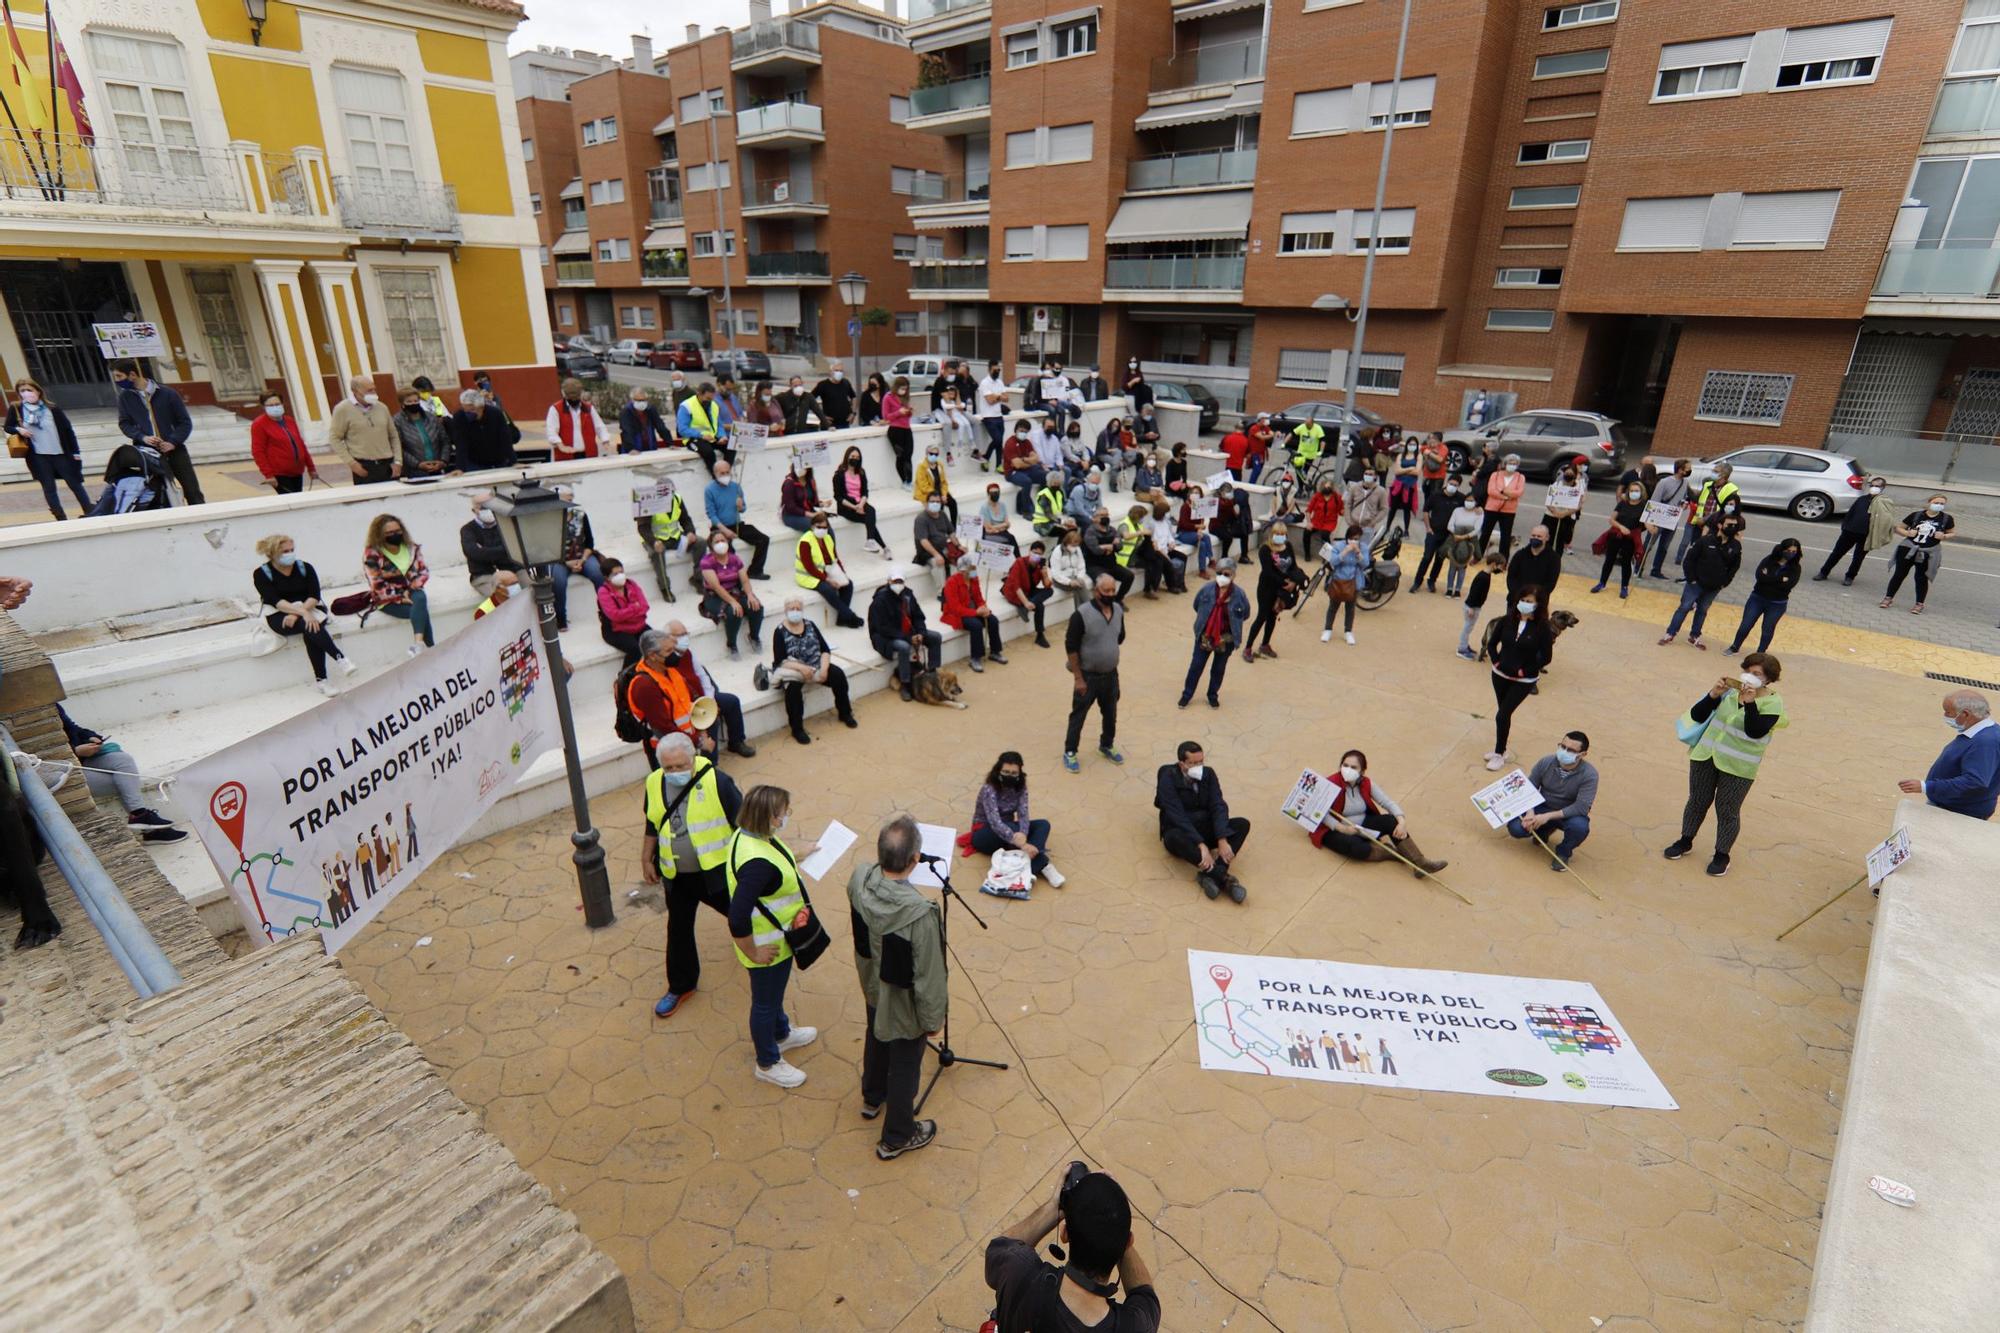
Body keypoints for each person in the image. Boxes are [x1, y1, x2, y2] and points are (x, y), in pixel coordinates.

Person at [847, 816, 946, 1159]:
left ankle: (872, 1097)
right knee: (906, 1062)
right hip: (903, 1001)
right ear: (915, 859)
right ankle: (898, 1136)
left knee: (877, 1032)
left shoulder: (860, 877)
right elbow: (929, 975)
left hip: (872, 982)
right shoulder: (920, 913)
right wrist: (933, 1020)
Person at [642, 731, 742, 1019]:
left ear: (693, 759)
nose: (674, 773)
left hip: (715, 873)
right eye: (668, 767)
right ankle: (681, 986)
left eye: (680, 766)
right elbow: (652, 822)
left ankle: (759, 952)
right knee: (678, 930)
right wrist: (646, 857)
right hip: (676, 875)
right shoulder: (653, 782)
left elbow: (744, 824)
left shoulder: (718, 781)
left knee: (743, 914)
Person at [986, 1168, 1159, 1333]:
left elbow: (1001, 1246)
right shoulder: (1136, 1326)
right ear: (1129, 1242)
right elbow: (1144, 1294)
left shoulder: (1020, 1274)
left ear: (1064, 1234)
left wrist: (1055, 1208)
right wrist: (1115, 1223)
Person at [725, 784, 820, 1088]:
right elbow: (737, 917)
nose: (786, 817)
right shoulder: (757, 865)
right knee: (765, 1003)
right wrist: (753, 952)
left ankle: (782, 1033)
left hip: (776, 940)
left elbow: (775, 860)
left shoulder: (749, 836)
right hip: (769, 946)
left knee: (774, 995)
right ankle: (767, 1062)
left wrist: (797, 855)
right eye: (784, 813)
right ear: (771, 818)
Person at [1666, 652, 1788, 877]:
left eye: (1756, 674)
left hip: (1739, 767)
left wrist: (1750, 704)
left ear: (1768, 679)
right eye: (1747, 671)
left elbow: (1755, 731)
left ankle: (1722, 855)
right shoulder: (1730, 692)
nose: (1749, 676)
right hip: (1706, 756)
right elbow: (1698, 714)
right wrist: (1713, 694)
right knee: (1697, 801)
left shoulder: (1773, 703)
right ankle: (1685, 841)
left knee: (1727, 810)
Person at [50, 707, 185, 842]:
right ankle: (149, 828)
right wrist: (76, 751)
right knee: (124, 782)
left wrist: (92, 737)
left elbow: (73, 728)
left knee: (124, 761)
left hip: (85, 759)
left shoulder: (53, 703)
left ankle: (140, 816)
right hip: (63, 770)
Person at [1308, 750, 1449, 875]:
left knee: (1390, 821)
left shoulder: (1366, 783)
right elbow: (1319, 812)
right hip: (1335, 829)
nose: (1347, 769)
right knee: (1357, 848)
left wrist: (1401, 822)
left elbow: (1387, 802)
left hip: (1362, 824)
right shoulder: (1330, 783)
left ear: (1362, 771)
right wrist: (1343, 828)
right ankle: (1389, 852)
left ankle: (1420, 862)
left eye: (1353, 767)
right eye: (1345, 765)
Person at [253, 534, 352, 695]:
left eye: (292, 550)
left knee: (310, 628)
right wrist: (302, 613)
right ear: (272, 553)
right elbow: (274, 600)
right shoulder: (261, 574)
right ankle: (340, 659)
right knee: (310, 625)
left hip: (309, 608)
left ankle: (323, 681)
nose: (290, 554)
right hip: (279, 614)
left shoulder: (305, 568)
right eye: (285, 551)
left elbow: (314, 595)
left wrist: (301, 613)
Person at [1155, 740, 1249, 902]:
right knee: (1173, 837)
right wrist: (1200, 844)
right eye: (1193, 763)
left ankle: (1209, 875)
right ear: (1182, 764)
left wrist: (1221, 838)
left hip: (1206, 827)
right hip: (1182, 831)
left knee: (1242, 824)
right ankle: (1225, 880)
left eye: (1201, 762)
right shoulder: (1168, 777)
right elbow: (1176, 815)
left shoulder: (1208, 774)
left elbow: (1218, 805)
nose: (1199, 766)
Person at [761, 597, 856, 743]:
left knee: (838, 675)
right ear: (785, 611)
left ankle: (845, 713)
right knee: (792, 691)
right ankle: (797, 729)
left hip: (816, 664)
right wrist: (802, 668)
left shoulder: (810, 625)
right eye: (791, 609)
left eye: (798, 608)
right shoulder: (779, 631)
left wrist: (824, 668)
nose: (795, 611)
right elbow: (780, 660)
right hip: (794, 669)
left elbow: (824, 650)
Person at [664, 618, 757, 759]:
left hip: (704, 697)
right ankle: (709, 762)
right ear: (668, 638)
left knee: (732, 702)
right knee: (709, 719)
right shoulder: (666, 660)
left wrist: (710, 700)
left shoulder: (688, 653)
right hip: (686, 706)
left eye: (685, 633)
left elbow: (702, 676)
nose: (684, 638)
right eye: (679, 635)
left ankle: (737, 742)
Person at [112, 359, 204, 502]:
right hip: (147, 453)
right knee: (160, 494)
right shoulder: (125, 397)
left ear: (132, 375)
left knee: (192, 490)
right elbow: (124, 424)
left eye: (119, 376)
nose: (116, 380)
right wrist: (142, 437)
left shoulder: (167, 393)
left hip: (175, 451)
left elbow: (184, 422)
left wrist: (173, 442)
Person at [1505, 731, 1598, 871]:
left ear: (1582, 754)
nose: (1564, 752)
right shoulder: (1546, 762)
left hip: (1567, 814)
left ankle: (1563, 852)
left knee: (1579, 827)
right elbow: (1529, 787)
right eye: (1563, 746)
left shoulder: (1590, 775)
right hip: (1541, 806)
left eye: (1571, 750)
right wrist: (1530, 812)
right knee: (1516, 828)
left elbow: (1581, 807)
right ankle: (1544, 829)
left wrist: (1546, 816)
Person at [1902, 690, 2000, 820]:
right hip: (1952, 806)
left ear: (1965, 714)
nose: (1945, 715)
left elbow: (1974, 781)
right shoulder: (1980, 733)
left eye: (1948, 712)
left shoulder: (1985, 742)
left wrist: (1927, 787)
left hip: (1958, 813)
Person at [1063, 575, 1125, 773]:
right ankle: (1070, 752)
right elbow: (1071, 647)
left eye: (1113, 590)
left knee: (1110, 713)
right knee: (1078, 715)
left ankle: (1106, 744)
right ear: (1096, 591)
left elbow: (1120, 636)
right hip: (1087, 677)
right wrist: (1078, 678)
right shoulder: (1081, 614)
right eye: (1106, 591)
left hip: (1111, 675)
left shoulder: (1118, 610)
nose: (1110, 595)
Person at [971, 752, 1063, 887]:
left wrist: (1023, 834)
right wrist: (1023, 844)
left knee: (1043, 825)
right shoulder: (989, 789)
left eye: (1014, 773)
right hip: (984, 833)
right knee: (1014, 829)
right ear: (998, 771)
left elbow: (1023, 814)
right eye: (1005, 772)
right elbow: (995, 822)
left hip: (1010, 832)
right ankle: (1043, 865)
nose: (1009, 776)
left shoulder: (1021, 788)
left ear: (1020, 773)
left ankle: (1026, 864)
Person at [1485, 584, 1552, 770]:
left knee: (1502, 714)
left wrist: (1525, 671)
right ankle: (1502, 749)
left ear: (1538, 605)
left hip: (1523, 681)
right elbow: (1492, 643)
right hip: (1499, 675)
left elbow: (1546, 657)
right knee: (1503, 714)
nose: (1524, 604)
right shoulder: (1508, 620)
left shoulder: (1542, 628)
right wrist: (1496, 662)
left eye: (1529, 601)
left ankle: (1498, 754)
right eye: (1522, 600)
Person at [6, 378, 93, 518]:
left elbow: (67, 430)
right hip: (38, 455)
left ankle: (89, 510)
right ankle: (60, 516)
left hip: (60, 453)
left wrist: (75, 452)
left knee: (75, 483)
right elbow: (8, 427)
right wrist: (19, 430)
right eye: (22, 391)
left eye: (29, 390)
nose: (27, 393)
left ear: (38, 391)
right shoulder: (17, 408)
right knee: (49, 487)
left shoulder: (52, 408)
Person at [1659, 517, 1742, 649]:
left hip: (1714, 586)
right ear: (1720, 525)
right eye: (1729, 525)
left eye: (1735, 525)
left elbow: (1734, 567)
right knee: (1684, 607)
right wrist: (1691, 579)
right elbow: (1689, 560)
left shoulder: (1736, 546)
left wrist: (1724, 583)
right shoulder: (1705, 541)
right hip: (1695, 583)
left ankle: (1695, 636)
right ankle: (1670, 633)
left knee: (1702, 610)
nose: (1732, 528)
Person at [1181, 558, 1248, 709]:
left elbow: (1245, 613)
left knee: (1218, 669)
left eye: (1226, 574)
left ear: (1233, 576)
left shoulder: (1239, 595)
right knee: (1196, 666)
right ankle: (1187, 694)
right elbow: (1196, 605)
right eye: (1219, 573)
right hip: (1205, 635)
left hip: (1226, 639)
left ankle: (1212, 695)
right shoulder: (1207, 589)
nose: (1222, 577)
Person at [362, 514, 433, 655]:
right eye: (389, 533)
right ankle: (431, 650)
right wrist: (400, 597)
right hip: (388, 599)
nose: (394, 535)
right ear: (379, 535)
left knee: (420, 599)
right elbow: (377, 584)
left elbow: (423, 572)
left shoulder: (411, 548)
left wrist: (411, 588)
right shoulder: (372, 554)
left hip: (412, 590)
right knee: (421, 612)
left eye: (397, 531)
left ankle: (418, 644)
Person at [868, 569, 943, 701]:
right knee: (903, 647)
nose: (898, 584)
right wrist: (908, 638)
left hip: (909, 631)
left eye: (900, 581)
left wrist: (920, 632)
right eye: (895, 581)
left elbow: (918, 617)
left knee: (935, 637)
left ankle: (932, 673)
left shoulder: (908, 595)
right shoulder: (880, 601)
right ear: (888, 582)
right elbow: (883, 628)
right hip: (887, 636)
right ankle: (905, 684)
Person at [1881, 494, 1955, 614]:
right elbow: (1899, 528)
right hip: (1908, 549)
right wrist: (1907, 533)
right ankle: (1888, 598)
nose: (1939, 505)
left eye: (1942, 504)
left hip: (1928, 552)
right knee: (1899, 574)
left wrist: (1944, 536)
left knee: (1921, 578)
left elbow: (1952, 533)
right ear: (1929, 502)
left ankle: (1919, 604)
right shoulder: (1916, 515)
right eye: (1936, 502)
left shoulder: (1946, 519)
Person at [1727, 538, 1803, 654]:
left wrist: (1769, 578)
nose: (1791, 554)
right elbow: (1759, 577)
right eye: (1788, 550)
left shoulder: (1796, 568)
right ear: (1782, 549)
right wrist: (1780, 579)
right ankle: (1735, 646)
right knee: (1745, 625)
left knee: (1767, 630)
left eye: (1794, 552)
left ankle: (1760, 653)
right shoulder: (1769, 560)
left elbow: (1788, 585)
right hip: (1757, 599)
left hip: (1777, 604)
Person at [1815, 474, 1894, 585]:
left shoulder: (1884, 502)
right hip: (1849, 532)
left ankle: (1850, 577)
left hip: (1866, 535)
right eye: (1872, 485)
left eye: (1877, 486)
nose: (1874, 487)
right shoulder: (1862, 499)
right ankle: (1824, 572)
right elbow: (1850, 513)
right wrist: (1845, 527)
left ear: (1882, 488)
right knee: (1836, 553)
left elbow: (1887, 519)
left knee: (1858, 558)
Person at [1244, 525, 1304, 662]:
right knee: (1262, 617)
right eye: (1277, 533)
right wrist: (1286, 584)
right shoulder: (1265, 549)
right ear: (1272, 534)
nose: (1280, 536)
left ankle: (1265, 644)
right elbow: (1268, 572)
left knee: (1273, 616)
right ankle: (1248, 647)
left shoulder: (1287, 546)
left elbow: (1293, 566)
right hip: (1267, 588)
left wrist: (1294, 582)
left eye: (1283, 533)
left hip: (1282, 589)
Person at [700, 532, 765, 658]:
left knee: (756, 606)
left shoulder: (734, 559)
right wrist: (733, 602)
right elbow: (716, 587)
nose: (720, 544)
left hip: (734, 591)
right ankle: (731, 645)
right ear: (711, 545)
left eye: (722, 540)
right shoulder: (707, 562)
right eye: (716, 542)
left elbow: (745, 580)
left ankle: (754, 637)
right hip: (714, 596)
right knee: (733, 612)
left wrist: (750, 595)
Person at [794, 512, 864, 629]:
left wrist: (842, 574)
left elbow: (835, 559)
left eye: (825, 527)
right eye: (819, 527)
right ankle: (850, 616)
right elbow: (809, 567)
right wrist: (828, 580)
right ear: (812, 527)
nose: (822, 529)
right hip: (808, 576)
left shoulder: (828, 538)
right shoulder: (805, 541)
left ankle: (841, 619)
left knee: (848, 584)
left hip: (826, 572)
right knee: (828, 589)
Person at [704, 460, 771, 580]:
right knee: (728, 550)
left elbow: (743, 509)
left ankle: (755, 570)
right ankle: (731, 576)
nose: (725, 475)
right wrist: (725, 531)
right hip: (719, 527)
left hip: (736, 524)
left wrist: (740, 507)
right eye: (722, 473)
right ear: (715, 474)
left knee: (763, 539)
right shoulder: (709, 490)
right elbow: (711, 515)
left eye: (727, 472)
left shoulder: (736, 487)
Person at [941, 553, 1008, 672]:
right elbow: (955, 608)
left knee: (993, 620)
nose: (973, 571)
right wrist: (976, 612)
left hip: (976, 610)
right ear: (962, 570)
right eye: (970, 569)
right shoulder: (951, 582)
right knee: (976, 625)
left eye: (974, 568)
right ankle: (975, 658)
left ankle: (995, 652)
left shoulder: (974, 579)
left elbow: (979, 598)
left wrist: (984, 608)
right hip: (959, 614)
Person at [327, 373, 397, 486]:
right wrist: (352, 463)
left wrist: (398, 461)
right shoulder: (343, 409)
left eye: (374, 390)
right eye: (369, 391)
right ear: (355, 391)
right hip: (364, 466)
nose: (373, 393)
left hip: (387, 464)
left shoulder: (382, 407)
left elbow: (393, 435)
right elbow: (334, 438)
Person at [247, 390, 317, 496]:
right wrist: (269, 475)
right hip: (280, 473)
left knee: (298, 498)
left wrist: (311, 468)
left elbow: (300, 444)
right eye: (270, 405)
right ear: (264, 407)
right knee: (291, 501)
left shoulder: (289, 421)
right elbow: (258, 452)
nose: (275, 407)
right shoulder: (259, 424)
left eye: (277, 404)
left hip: (297, 471)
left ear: (282, 404)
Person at [1674, 464, 1740, 575]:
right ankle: (1690, 575)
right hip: (1699, 525)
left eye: (1715, 471)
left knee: (1706, 553)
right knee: (1696, 550)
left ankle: (1699, 576)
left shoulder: (1731, 490)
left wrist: (1705, 520)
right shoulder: (1708, 484)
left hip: (1713, 527)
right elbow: (1697, 498)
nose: (1712, 473)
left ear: (1724, 475)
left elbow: (1727, 510)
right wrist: (1687, 486)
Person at [636, 477, 692, 603]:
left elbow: (685, 519)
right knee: (657, 554)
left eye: (671, 492)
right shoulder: (647, 501)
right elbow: (643, 528)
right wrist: (654, 541)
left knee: (700, 543)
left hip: (674, 536)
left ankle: (698, 578)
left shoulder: (677, 498)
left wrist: (690, 532)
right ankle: (665, 588)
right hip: (655, 539)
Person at [1590, 478, 1647, 598]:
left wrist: (1653, 528)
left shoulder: (1644, 507)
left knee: (1626, 562)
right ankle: (1602, 583)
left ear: (1641, 492)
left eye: (1636, 490)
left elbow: (1647, 524)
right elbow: (1611, 520)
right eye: (1631, 490)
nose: (1633, 493)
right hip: (1616, 535)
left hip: (1630, 539)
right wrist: (1621, 527)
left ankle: (1624, 587)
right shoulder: (1622, 503)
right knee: (1609, 560)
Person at [460, 491, 523, 599]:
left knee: (534, 592)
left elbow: (516, 547)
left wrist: (485, 550)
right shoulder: (467, 530)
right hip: (485, 576)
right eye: (483, 508)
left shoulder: (507, 524)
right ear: (474, 510)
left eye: (490, 506)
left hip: (514, 571)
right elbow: (473, 553)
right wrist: (503, 550)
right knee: (500, 598)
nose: (488, 510)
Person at [1318, 526, 1372, 646]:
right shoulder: (1338, 545)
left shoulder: (1363, 547)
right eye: (1353, 538)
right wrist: (1345, 552)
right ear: (1348, 538)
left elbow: (1365, 564)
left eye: (1357, 538)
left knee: (1350, 608)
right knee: (1333, 607)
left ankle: (1348, 632)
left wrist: (1358, 552)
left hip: (1354, 582)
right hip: (1338, 580)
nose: (1355, 541)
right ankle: (1327, 630)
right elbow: (1333, 561)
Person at [1410, 473, 1461, 592]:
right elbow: (1426, 511)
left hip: (1448, 535)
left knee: (1440, 559)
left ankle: (1432, 581)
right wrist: (1428, 527)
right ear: (1447, 482)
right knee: (1427, 557)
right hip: (1433, 532)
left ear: (1459, 486)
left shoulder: (1460, 498)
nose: (1452, 486)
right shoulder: (1436, 495)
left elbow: (1470, 507)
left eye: (1455, 485)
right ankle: (1417, 581)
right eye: (1451, 484)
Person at [1645, 458, 1695, 579]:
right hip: (1659, 516)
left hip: (1672, 518)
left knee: (1664, 546)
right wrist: (1649, 521)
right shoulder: (1664, 482)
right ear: (1680, 470)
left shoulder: (1684, 483)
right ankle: (1638, 566)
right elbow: (1654, 500)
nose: (1689, 471)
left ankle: (1656, 570)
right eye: (1687, 469)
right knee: (1648, 544)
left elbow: (1684, 497)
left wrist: (1683, 504)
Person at [596, 557, 651, 667]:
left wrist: (626, 612)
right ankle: (624, 677)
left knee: (656, 643)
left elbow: (645, 606)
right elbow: (615, 616)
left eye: (621, 572)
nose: (620, 576)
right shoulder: (604, 592)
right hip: (616, 631)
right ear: (607, 578)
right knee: (635, 649)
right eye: (615, 574)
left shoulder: (631, 584)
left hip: (638, 626)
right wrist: (634, 608)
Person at [450, 386, 519, 471]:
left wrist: (514, 462)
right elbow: (460, 443)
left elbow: (505, 438)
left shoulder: (495, 414)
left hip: (499, 460)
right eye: (465, 411)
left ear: (481, 407)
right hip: (474, 462)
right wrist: (459, 468)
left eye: (472, 410)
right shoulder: (459, 417)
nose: (468, 414)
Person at [395, 385, 457, 478]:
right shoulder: (397, 421)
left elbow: (445, 441)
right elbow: (399, 447)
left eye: (416, 401)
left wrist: (443, 461)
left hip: (438, 467)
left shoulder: (431, 418)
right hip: (414, 471)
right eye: (409, 401)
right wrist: (417, 464)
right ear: (402, 404)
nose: (413, 404)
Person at [1002, 541, 1055, 648]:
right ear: (1029, 551)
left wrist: (1044, 575)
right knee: (1040, 606)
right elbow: (1016, 586)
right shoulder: (1019, 562)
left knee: (1050, 591)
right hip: (1014, 592)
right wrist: (1025, 603)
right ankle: (1040, 634)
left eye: (1039, 554)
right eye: (1034, 552)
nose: (1036, 556)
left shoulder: (1040, 565)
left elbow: (1047, 586)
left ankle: (1039, 635)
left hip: (1029, 591)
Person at [1457, 551, 1506, 660]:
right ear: (1494, 564)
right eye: (1499, 566)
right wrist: (1470, 607)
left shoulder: (1485, 575)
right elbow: (1474, 592)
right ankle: (1461, 648)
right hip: (1472, 607)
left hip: (1475, 606)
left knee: (1469, 627)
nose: (1500, 569)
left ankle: (1464, 645)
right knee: (1467, 627)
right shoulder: (1483, 577)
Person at [546, 377, 607, 460]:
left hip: (589, 454)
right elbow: (551, 431)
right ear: (563, 394)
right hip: (565, 456)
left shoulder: (589, 408)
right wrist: (561, 446)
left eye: (576, 396)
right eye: (570, 397)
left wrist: (605, 440)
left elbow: (600, 427)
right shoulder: (555, 409)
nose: (574, 399)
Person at [677, 382, 730, 475]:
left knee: (731, 447)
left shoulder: (713, 405)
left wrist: (722, 436)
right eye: (708, 398)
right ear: (699, 394)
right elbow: (682, 429)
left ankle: (725, 471)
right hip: (693, 439)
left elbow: (718, 424)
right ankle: (717, 478)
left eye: (712, 398)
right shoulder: (686, 406)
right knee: (708, 453)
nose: (710, 401)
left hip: (711, 437)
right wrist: (701, 435)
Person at [1479, 453, 1526, 556]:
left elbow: (1519, 492)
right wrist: (1506, 496)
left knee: (1506, 536)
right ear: (1505, 463)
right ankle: (1478, 555)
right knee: (1485, 533)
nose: (1512, 465)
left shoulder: (1520, 477)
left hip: (1509, 511)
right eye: (1510, 463)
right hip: (1492, 508)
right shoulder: (1495, 475)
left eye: (1515, 463)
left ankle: (1503, 559)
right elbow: (1491, 490)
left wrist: (1502, 491)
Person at [1443, 487, 1484, 598]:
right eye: (1467, 500)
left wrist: (1463, 537)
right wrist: (1456, 535)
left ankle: (1457, 590)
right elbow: (1450, 525)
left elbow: (1477, 529)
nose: (1469, 502)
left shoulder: (1479, 513)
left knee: (1462, 565)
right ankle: (1449, 588)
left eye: (1472, 501)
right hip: (1455, 537)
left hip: (1469, 540)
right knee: (1452, 565)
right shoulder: (1457, 510)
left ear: (1476, 502)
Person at [1506, 524, 1561, 601]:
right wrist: (1518, 594)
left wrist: (1536, 596)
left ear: (1547, 538)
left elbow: (1551, 582)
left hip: (1539, 601)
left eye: (1539, 536)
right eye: (1533, 535)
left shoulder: (1554, 558)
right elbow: (1511, 577)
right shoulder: (1520, 555)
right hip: (1516, 598)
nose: (1535, 538)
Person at [1003, 420, 1046, 516]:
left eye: (1026, 432)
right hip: (1012, 472)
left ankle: (1043, 503)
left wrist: (1024, 460)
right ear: (1016, 430)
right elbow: (1017, 465)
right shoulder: (1010, 443)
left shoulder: (1027, 442)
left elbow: (1036, 458)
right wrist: (1030, 462)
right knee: (1027, 482)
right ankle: (1026, 510)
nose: (1023, 433)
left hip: (1026, 470)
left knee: (1044, 476)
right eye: (1021, 431)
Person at [1542, 458, 1584, 554]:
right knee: (1548, 540)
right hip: (1551, 515)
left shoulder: (1578, 488)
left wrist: (1564, 513)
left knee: (1560, 542)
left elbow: (1579, 504)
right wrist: (1555, 512)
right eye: (1566, 473)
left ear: (1575, 475)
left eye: (1571, 474)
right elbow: (1548, 501)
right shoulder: (1556, 485)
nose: (1568, 476)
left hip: (1567, 517)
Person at [913, 438, 957, 526]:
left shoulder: (940, 465)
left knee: (953, 503)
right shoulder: (921, 466)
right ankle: (940, 528)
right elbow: (923, 486)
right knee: (938, 506)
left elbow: (944, 482)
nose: (934, 456)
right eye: (931, 453)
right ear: (927, 454)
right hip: (927, 492)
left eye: (936, 454)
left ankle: (953, 527)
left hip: (939, 491)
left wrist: (944, 494)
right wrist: (938, 496)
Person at [620, 384, 673, 453]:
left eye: (643, 400)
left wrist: (670, 443)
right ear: (632, 400)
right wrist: (631, 448)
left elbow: (660, 426)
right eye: (638, 400)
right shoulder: (626, 412)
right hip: (634, 448)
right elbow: (627, 431)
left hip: (650, 446)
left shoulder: (650, 409)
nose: (641, 403)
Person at [778, 458, 825, 534]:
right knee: (815, 527)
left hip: (808, 511)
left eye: (802, 466)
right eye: (797, 466)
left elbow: (812, 501)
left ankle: (830, 545)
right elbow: (791, 507)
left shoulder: (810, 481)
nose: (799, 469)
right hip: (791, 515)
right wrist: (811, 514)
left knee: (826, 526)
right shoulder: (789, 483)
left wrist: (822, 504)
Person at [1388, 435, 1423, 537]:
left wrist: (1404, 470)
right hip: (1398, 485)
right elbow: (1397, 471)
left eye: (1414, 444)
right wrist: (1409, 469)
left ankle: (1406, 530)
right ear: (1407, 444)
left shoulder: (1418, 456)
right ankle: (1387, 527)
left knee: (1407, 509)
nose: (1412, 446)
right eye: (1410, 444)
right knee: (1393, 508)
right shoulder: (1400, 456)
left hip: (1410, 486)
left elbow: (1417, 472)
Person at [1304, 476, 1345, 560]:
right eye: (1325, 486)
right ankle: (1307, 554)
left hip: (1329, 522)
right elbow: (1308, 510)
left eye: (1329, 487)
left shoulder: (1337, 497)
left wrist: (1344, 510)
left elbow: (1341, 511)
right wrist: (1309, 522)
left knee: (1325, 535)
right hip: (1316, 521)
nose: (1326, 488)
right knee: (1306, 533)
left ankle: (1327, 557)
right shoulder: (1317, 496)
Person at [1049, 524, 1090, 608]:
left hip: (1075, 577)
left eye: (1076, 545)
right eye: (1073, 545)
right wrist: (1069, 582)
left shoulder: (1077, 550)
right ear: (1067, 542)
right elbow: (1056, 573)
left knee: (1079, 583)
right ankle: (1088, 609)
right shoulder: (1058, 551)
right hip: (1060, 580)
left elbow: (1081, 565)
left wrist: (1079, 577)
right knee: (1078, 586)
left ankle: (1081, 613)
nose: (1075, 547)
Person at [884, 376, 915, 482]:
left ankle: (909, 480)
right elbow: (886, 416)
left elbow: (908, 416)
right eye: (902, 388)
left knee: (908, 455)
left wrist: (908, 411)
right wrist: (899, 412)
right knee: (901, 456)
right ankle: (903, 480)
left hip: (906, 429)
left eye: (905, 389)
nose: (904, 391)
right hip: (895, 430)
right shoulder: (888, 397)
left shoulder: (905, 398)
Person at [912, 494, 955, 569]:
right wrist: (936, 555)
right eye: (932, 502)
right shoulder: (921, 519)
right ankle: (942, 581)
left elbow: (951, 532)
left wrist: (959, 546)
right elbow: (923, 541)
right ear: (927, 503)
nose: (935, 504)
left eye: (938, 502)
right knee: (938, 563)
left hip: (943, 548)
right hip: (927, 553)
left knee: (961, 558)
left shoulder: (942, 514)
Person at [976, 482, 1018, 555]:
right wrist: (1003, 525)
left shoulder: (1002, 505)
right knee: (1010, 538)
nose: (995, 494)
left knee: (1011, 538)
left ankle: (1018, 560)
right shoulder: (985, 507)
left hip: (1001, 531)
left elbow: (1007, 524)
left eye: (997, 492)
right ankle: (1019, 560)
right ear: (988, 494)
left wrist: (999, 527)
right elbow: (988, 528)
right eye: (992, 492)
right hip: (989, 534)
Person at [813, 360, 855, 430]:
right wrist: (822, 416)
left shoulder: (846, 383)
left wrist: (853, 413)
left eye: (841, 371)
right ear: (831, 372)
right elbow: (810, 400)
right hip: (829, 424)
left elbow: (854, 397)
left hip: (845, 423)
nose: (839, 373)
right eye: (836, 370)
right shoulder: (823, 385)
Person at [1290, 409, 1327, 476]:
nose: (1306, 426)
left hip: (1311, 455)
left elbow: (1323, 440)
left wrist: (1321, 451)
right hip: (1301, 453)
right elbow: (1292, 433)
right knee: (1298, 472)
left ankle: (1305, 484)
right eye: (1306, 424)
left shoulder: (1318, 428)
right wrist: (1284, 443)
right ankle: (1301, 486)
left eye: (1308, 425)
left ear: (1312, 423)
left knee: (1304, 472)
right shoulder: (1302, 426)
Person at [1245, 412, 1275, 483]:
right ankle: (1251, 483)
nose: (1266, 420)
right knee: (1257, 469)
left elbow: (1271, 432)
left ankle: (1253, 482)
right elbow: (1262, 437)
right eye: (1265, 418)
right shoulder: (1254, 428)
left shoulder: (1265, 428)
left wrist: (1274, 434)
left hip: (1262, 453)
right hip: (1255, 453)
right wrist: (1271, 435)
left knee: (1260, 469)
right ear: (1261, 419)